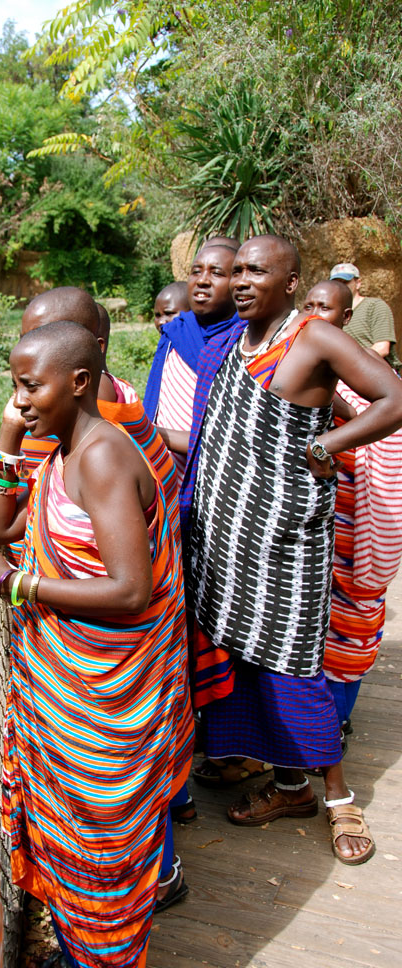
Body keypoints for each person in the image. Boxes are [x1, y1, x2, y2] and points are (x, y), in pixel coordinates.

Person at [0, 321, 193, 968]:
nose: (20, 399)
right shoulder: (60, 453)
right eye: (14, 386)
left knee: (102, 856)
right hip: (68, 698)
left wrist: (13, 583)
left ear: (80, 382)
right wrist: (10, 432)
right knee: (74, 852)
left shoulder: (103, 457)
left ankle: (102, 954)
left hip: (106, 710)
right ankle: (83, 948)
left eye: (30, 386)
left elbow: (130, 591)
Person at [181, 235, 402, 865]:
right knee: (241, 664)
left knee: (293, 668)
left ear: (290, 280)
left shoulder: (314, 337)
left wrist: (329, 446)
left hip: (284, 544)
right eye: (239, 271)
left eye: (258, 271)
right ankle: (287, 786)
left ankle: (338, 798)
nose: (243, 281)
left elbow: (393, 399)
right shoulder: (234, 341)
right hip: (225, 541)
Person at [5, 288, 179, 551]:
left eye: (51, 334)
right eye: (26, 338)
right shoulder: (70, 408)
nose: (33, 347)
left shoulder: (90, 423)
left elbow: (7, 525)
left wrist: (13, 580)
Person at [301, 280, 402, 732]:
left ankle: (337, 721)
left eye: (326, 307)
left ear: (346, 318)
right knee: (318, 633)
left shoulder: (376, 381)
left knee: (353, 631)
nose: (315, 314)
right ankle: (321, 723)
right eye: (309, 305)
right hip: (322, 533)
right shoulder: (306, 373)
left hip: (364, 531)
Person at [144, 239, 240, 489]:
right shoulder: (175, 333)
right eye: (196, 271)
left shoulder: (247, 341)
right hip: (166, 471)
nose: (202, 280)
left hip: (224, 476)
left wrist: (153, 433)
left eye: (217, 273)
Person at [329, 262, 400, 370]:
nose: (341, 287)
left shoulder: (374, 306)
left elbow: (382, 347)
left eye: (345, 282)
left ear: (358, 283)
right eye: (337, 283)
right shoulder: (331, 314)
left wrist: (351, 364)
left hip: (377, 371)